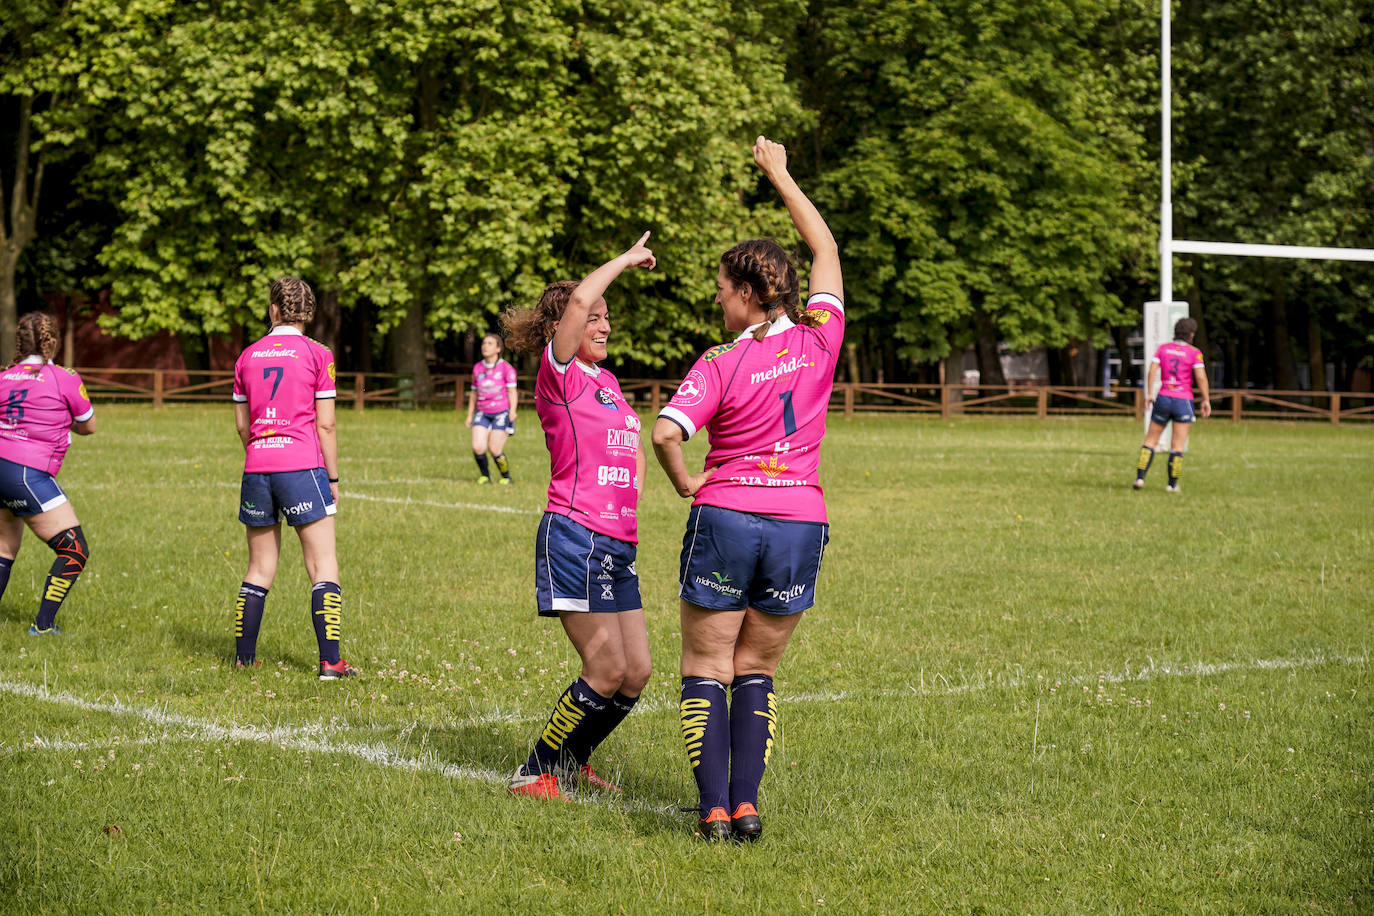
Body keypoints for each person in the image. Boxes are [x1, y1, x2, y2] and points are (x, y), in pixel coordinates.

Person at [652, 136, 844, 841]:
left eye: (721, 287)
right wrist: (783, 175)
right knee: (756, 668)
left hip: (726, 515)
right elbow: (824, 252)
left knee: (706, 666)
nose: (715, 298)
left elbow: (668, 433)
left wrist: (685, 484)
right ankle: (748, 807)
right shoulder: (822, 336)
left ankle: (710, 810)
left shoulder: (720, 361)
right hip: (800, 521)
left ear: (745, 294)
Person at [500, 233, 655, 800]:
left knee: (635, 671)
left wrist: (636, 479)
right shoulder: (557, 373)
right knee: (605, 667)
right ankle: (533, 770)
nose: (603, 326)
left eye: (607, 318)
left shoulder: (608, 383)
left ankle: (572, 761)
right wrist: (623, 260)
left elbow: (630, 440)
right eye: (594, 317)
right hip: (574, 535)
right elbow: (576, 304)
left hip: (617, 541)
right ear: (566, 326)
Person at [231, 278, 357, 679]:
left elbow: (241, 425)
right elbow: (328, 424)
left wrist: (261, 453)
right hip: (302, 466)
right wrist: (332, 477)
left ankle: (243, 659)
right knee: (323, 565)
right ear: (309, 313)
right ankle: (330, 662)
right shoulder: (319, 354)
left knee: (259, 567)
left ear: (274, 309)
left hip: (257, 467)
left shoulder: (247, 355)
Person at [0, 312, 95, 636]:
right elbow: (89, 426)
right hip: (26, 473)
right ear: (52, 341)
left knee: (3, 547)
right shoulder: (63, 377)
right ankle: (43, 626)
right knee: (75, 550)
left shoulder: (5, 376)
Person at [1134, 317, 1211, 492]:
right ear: (1191, 334)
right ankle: (1171, 484)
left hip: (1163, 397)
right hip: (1183, 400)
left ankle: (1139, 478)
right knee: (1177, 445)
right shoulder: (1194, 353)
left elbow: (1152, 369)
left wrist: (1149, 394)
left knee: (1150, 440)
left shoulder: (1163, 348)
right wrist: (1206, 399)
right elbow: (1200, 377)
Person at [464, 333, 518, 485]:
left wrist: (512, 411)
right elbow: (474, 393)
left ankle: (506, 477)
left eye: (489, 343)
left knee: (494, 449)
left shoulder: (506, 368)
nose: (485, 346)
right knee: (478, 447)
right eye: (483, 343)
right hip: (482, 412)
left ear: (498, 348)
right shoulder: (477, 368)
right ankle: (485, 476)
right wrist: (469, 415)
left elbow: (512, 392)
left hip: (501, 413)